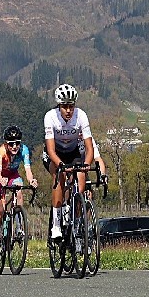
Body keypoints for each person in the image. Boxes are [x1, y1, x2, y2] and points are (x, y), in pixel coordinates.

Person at [43, 83, 96, 242]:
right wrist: (60, 165)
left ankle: (77, 223)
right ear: (59, 106)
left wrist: (87, 164)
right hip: (55, 153)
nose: (68, 110)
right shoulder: (50, 117)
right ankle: (56, 224)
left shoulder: (81, 116)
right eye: (65, 107)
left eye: (71, 106)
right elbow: (50, 149)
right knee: (58, 178)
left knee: (80, 183)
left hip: (73, 152)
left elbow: (89, 147)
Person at [0, 125, 38, 258]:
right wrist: (1, 180)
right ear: (6, 144)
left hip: (13, 175)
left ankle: (18, 227)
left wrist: (31, 180)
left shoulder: (24, 150)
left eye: (17, 143)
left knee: (19, 191)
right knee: (0, 210)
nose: (15, 146)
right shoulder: (1, 151)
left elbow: (27, 170)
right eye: (11, 144)